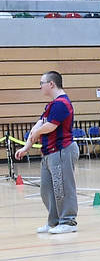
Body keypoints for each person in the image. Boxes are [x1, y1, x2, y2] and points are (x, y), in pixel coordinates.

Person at [16, 71, 78, 234]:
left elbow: (50, 126)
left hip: (61, 151)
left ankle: (68, 221)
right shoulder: (51, 105)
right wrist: (26, 147)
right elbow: (39, 125)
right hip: (49, 153)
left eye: (41, 82)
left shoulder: (62, 103)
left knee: (62, 188)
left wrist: (36, 134)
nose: (40, 86)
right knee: (47, 189)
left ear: (51, 84)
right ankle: (54, 221)